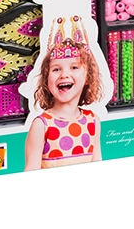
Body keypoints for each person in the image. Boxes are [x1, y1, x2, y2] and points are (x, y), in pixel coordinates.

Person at [25, 15, 103, 170]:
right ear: (46, 78)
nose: (64, 75)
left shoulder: (93, 121)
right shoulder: (42, 125)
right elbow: (31, 173)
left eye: (74, 67)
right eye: (56, 69)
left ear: (88, 77)